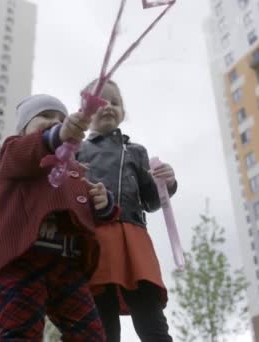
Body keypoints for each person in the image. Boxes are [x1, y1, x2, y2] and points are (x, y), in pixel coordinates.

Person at [0, 94, 119, 341]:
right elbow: (28, 151)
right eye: (45, 116)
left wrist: (103, 204)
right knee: (20, 333)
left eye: (60, 118)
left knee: (91, 335)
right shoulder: (14, 151)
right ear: (24, 127)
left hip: (67, 263)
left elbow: (88, 217)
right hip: (21, 260)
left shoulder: (76, 170)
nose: (55, 121)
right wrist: (59, 133)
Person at [76, 79, 177, 342]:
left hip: (134, 240)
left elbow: (152, 202)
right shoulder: (77, 152)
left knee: (151, 320)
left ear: (123, 111)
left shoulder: (136, 152)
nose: (109, 107)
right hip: (93, 241)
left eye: (115, 102)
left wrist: (167, 183)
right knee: (101, 325)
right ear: (84, 113)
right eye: (100, 102)